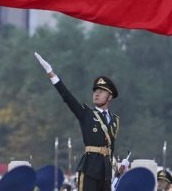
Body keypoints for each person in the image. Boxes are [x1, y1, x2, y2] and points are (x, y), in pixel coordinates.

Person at [35, 52, 119, 191]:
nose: (97, 94)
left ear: (109, 97)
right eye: (95, 91)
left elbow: (110, 147)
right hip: (90, 168)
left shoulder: (115, 120)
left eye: (101, 91)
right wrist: (52, 74)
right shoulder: (86, 114)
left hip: (106, 171)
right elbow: (68, 98)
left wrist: (116, 165)